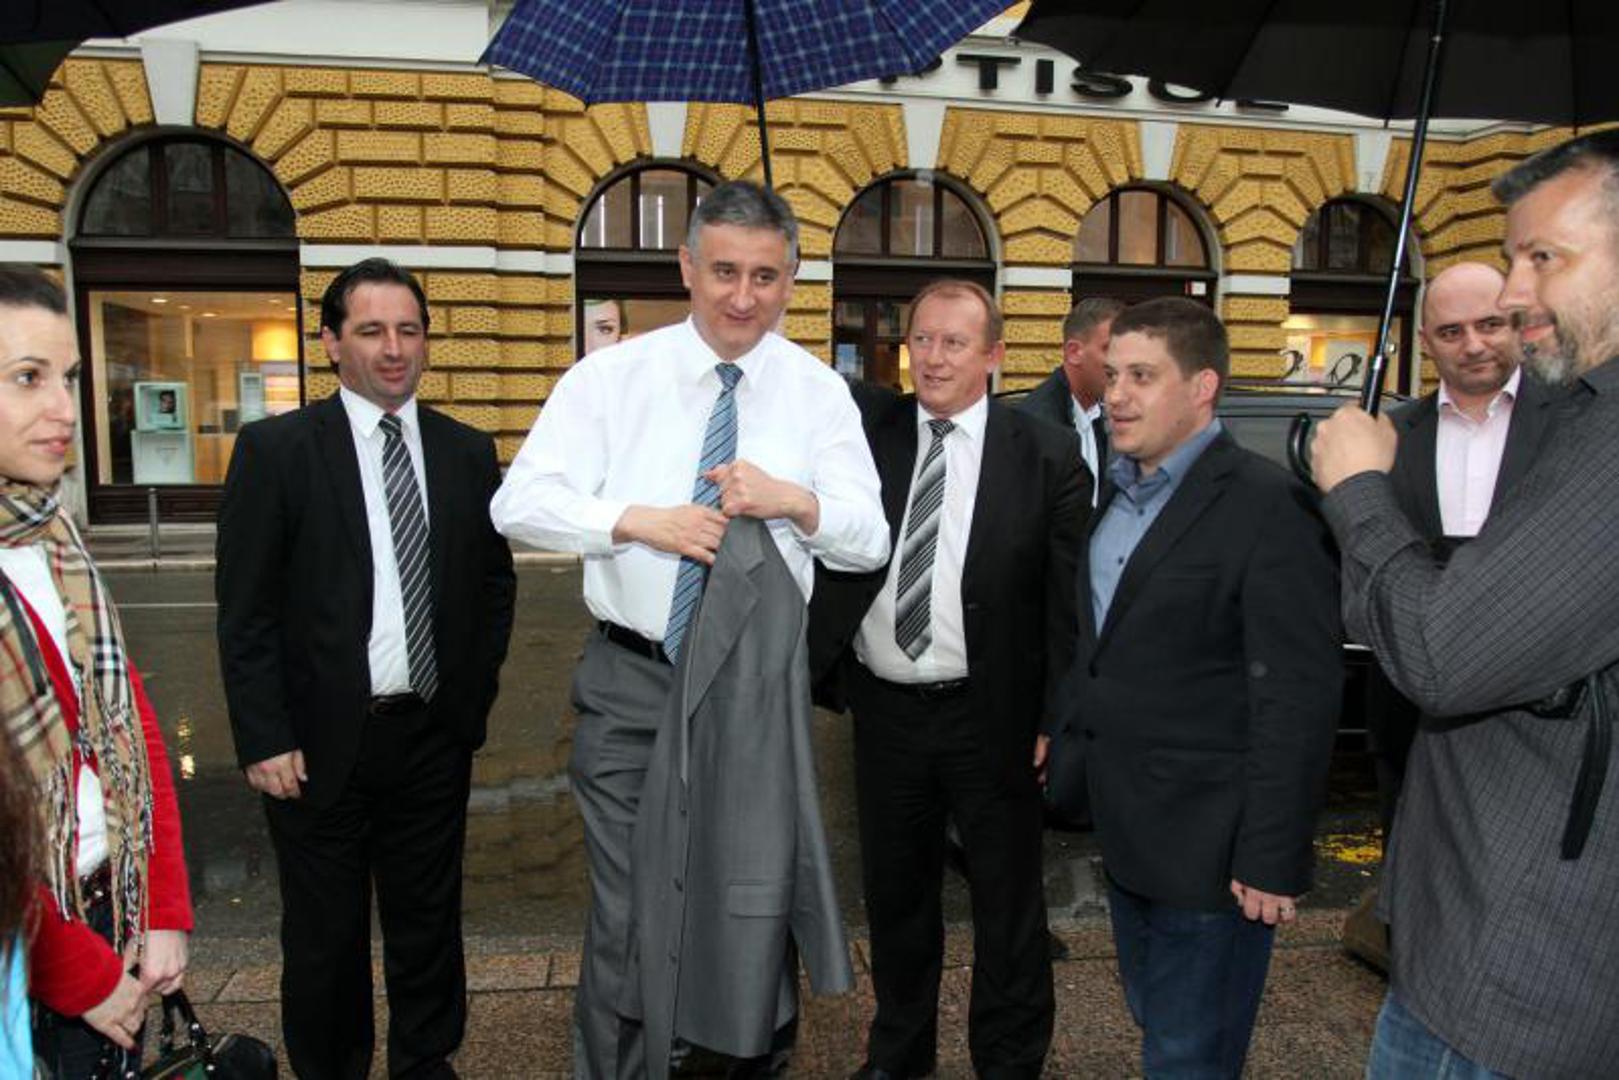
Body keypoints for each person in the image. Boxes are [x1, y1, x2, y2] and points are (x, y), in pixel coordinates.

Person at [492, 180, 888, 1077]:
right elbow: (517, 503)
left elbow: (868, 540)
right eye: (723, 272)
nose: (743, 297)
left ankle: (739, 1062)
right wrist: (635, 521)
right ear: (686, 267)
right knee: (633, 913)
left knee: (748, 902)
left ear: (791, 279)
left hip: (752, 696)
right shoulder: (610, 379)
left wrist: (796, 502)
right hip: (633, 685)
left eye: (764, 276)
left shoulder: (819, 394)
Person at [1310, 130, 1619, 1079]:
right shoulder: (1581, 412)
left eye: (1543, 257)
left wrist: (1356, 489)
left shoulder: (1601, 434)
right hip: (1479, 914)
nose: (1514, 294)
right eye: (1512, 257)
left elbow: (1443, 652)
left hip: (1515, 965)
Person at [216, 257, 516, 1079]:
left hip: (430, 734)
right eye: (372, 330)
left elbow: (492, 588)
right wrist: (263, 736)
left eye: (408, 330)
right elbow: (245, 613)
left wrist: (467, 703)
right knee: (325, 935)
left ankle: (425, 1061)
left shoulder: (464, 451)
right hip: (314, 747)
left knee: (429, 920)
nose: (393, 349)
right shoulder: (276, 451)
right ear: (330, 341)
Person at [1054, 297, 1342, 1078]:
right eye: (1112, 374)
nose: (1116, 395)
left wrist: (1272, 854)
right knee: (1161, 1025)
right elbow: (1100, 643)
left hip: (1214, 851)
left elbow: (1298, 692)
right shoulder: (1117, 491)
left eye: (1141, 377)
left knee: (1188, 1055)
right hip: (1128, 834)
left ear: (1202, 386)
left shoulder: (1267, 505)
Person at [810, 280, 1084, 1079]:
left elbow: (1068, 605)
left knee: (1008, 905)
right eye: (921, 340)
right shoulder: (867, 434)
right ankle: (899, 1057)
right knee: (896, 900)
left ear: (992, 355)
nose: (931, 358)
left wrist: (1054, 717)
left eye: (953, 343)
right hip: (885, 712)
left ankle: (1007, 1061)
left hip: (993, 717)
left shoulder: (1044, 454)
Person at [0, 265, 193, 1077]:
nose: (64, 409)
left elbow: (129, 725)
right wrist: (75, 972)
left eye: (70, 378)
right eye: (27, 378)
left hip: (111, 903)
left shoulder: (52, 536)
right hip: (32, 942)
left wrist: (162, 906)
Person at [1345, 262, 1555, 968]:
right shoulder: (1388, 435)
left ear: (1518, 324)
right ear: (1426, 342)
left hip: (1537, 701)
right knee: (1413, 880)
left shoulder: (1571, 424)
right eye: (1451, 331)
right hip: (1409, 704)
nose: (1473, 345)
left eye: (1490, 324)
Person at [1015, 296, 1123, 507]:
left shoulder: (1101, 413)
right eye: (1110, 349)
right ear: (1074, 352)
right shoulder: (1038, 426)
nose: (1120, 363)